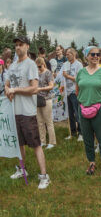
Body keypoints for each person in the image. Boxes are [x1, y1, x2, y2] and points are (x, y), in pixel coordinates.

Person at [5, 36, 50, 189]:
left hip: (27, 112)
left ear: (27, 47)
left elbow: (34, 88)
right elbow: (7, 82)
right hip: (14, 111)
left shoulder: (30, 64)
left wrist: (15, 90)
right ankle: (22, 169)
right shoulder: (12, 66)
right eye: (16, 45)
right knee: (19, 144)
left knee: (35, 143)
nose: (18, 47)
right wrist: (7, 90)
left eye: (21, 45)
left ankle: (44, 176)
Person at [76, 46, 101, 176]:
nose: (96, 56)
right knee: (87, 137)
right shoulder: (81, 72)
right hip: (83, 108)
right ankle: (91, 162)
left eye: (98, 54)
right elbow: (77, 89)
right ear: (86, 57)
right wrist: (82, 101)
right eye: (92, 54)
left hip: (99, 108)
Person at [59, 48, 83, 140]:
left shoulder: (79, 65)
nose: (67, 55)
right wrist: (61, 86)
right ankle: (73, 133)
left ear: (73, 54)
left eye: (68, 54)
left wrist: (68, 76)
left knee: (77, 113)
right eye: (66, 54)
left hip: (75, 91)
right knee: (70, 114)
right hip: (67, 92)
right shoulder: (65, 64)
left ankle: (81, 133)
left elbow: (79, 79)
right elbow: (62, 77)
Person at [36, 57, 56, 150]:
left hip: (46, 99)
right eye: (37, 67)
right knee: (40, 122)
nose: (38, 68)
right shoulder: (36, 73)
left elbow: (51, 86)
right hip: (37, 99)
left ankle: (52, 142)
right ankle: (42, 141)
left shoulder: (48, 73)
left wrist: (40, 89)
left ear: (43, 64)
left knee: (48, 122)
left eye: (39, 66)